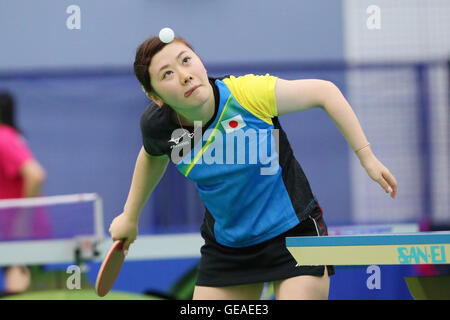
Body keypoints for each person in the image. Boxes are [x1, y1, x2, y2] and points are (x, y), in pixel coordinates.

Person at [108, 35, 398, 300]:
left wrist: (367, 157)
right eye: (167, 74)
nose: (184, 76)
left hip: (293, 234)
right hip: (229, 249)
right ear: (155, 96)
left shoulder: (247, 95)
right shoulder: (160, 127)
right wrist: (130, 216)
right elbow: (152, 156)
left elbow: (325, 92)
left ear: (199, 60)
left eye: (186, 60)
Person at [0, 91, 47, 295]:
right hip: (14, 230)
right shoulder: (10, 136)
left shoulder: (3, 137)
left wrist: (23, 218)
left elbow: (36, 174)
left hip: (18, 233)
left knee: (18, 289)